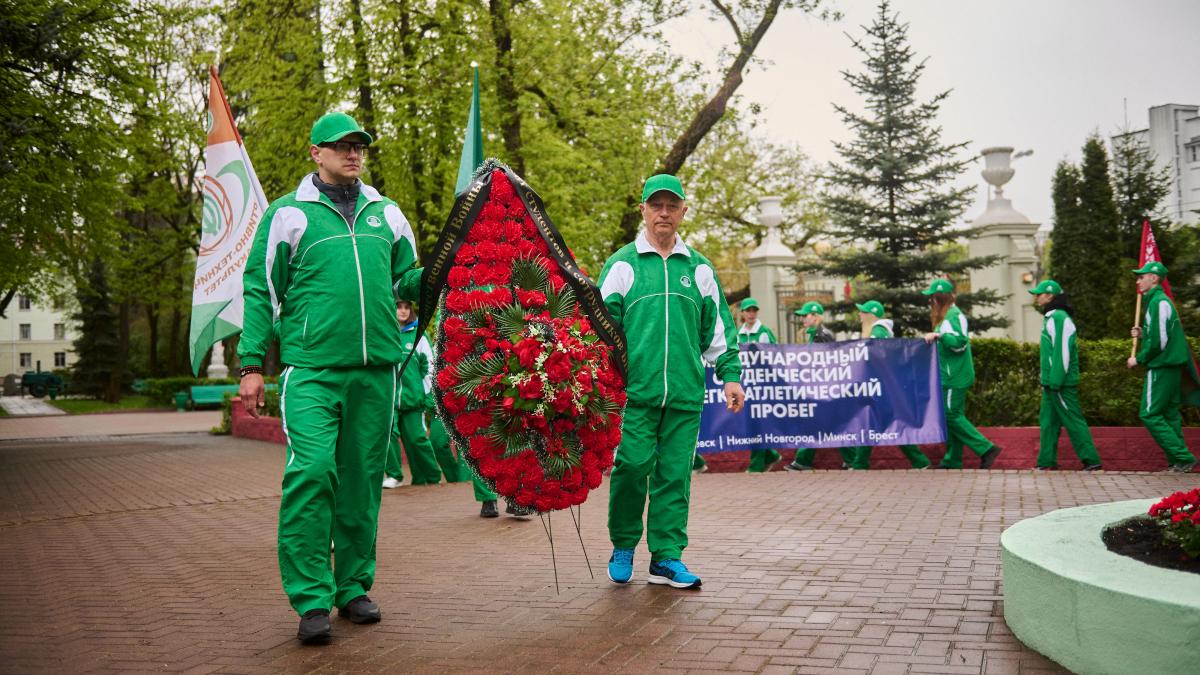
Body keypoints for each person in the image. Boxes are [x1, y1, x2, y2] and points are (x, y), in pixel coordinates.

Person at [237, 112, 423, 644]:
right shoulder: (288, 215)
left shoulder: (386, 214)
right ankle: (312, 598)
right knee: (314, 472)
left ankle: (353, 588)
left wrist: (441, 272)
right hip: (313, 370)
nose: (353, 153)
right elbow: (259, 291)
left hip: (378, 371)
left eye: (359, 146)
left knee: (364, 480)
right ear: (315, 152)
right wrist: (252, 365)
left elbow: (406, 278)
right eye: (341, 145)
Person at [597, 174, 745, 588]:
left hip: (683, 393)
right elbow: (598, 330)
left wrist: (729, 376)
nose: (664, 212)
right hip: (634, 394)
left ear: (682, 211)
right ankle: (624, 543)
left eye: (671, 205)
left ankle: (666, 557)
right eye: (655, 205)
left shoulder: (698, 269)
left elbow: (717, 331)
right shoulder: (623, 264)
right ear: (643, 210)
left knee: (674, 474)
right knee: (630, 465)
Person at [921, 279, 1002, 469]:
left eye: (932, 298)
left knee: (951, 415)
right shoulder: (948, 316)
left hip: (954, 376)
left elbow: (960, 344)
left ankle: (986, 449)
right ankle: (953, 459)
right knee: (952, 415)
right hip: (951, 375)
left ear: (939, 299)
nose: (930, 302)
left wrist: (940, 336)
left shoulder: (953, 316)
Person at [1127, 262, 1198, 473]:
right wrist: (1143, 333)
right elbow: (1162, 334)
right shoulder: (1159, 301)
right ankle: (1178, 462)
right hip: (1171, 367)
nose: (1138, 280)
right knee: (1169, 415)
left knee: (1149, 413)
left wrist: (1138, 359)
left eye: (1142, 276)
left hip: (1161, 367)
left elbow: (1159, 342)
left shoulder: (1158, 302)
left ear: (1154, 278)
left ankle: (1183, 457)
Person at [846, 300, 932, 470]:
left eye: (863, 312)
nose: (860, 315)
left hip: (881, 385)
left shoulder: (878, 330)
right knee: (876, 422)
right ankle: (918, 461)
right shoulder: (877, 330)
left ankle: (860, 464)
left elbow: (876, 354)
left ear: (872, 315)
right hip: (879, 384)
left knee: (874, 421)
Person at [1028, 281, 1103, 471]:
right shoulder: (1052, 317)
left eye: (1039, 294)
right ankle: (1046, 462)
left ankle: (1091, 460)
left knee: (1073, 420)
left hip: (1059, 383)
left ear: (1050, 296)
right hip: (1051, 382)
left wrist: (1056, 380)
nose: (1036, 297)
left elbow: (1062, 352)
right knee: (1048, 423)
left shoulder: (1059, 318)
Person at [785, 301, 855, 471]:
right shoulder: (815, 334)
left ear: (815, 316)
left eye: (805, 315)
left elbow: (824, 362)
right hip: (819, 387)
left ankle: (803, 461)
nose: (803, 319)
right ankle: (851, 459)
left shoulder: (821, 335)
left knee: (820, 424)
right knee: (827, 425)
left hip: (823, 387)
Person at [383, 300, 444, 488]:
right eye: (398, 307)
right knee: (388, 435)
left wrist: (428, 396)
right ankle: (394, 475)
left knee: (417, 440)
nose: (402, 311)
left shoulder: (418, 335)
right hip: (389, 400)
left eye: (406, 308)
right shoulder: (385, 333)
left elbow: (430, 367)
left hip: (413, 400)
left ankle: (432, 477)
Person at [736, 297, 783, 472]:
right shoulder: (737, 334)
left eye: (754, 310)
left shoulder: (765, 332)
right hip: (745, 384)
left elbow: (777, 355)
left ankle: (756, 464)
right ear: (742, 313)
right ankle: (770, 455)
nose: (751, 314)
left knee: (758, 422)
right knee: (751, 422)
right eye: (748, 310)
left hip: (763, 385)